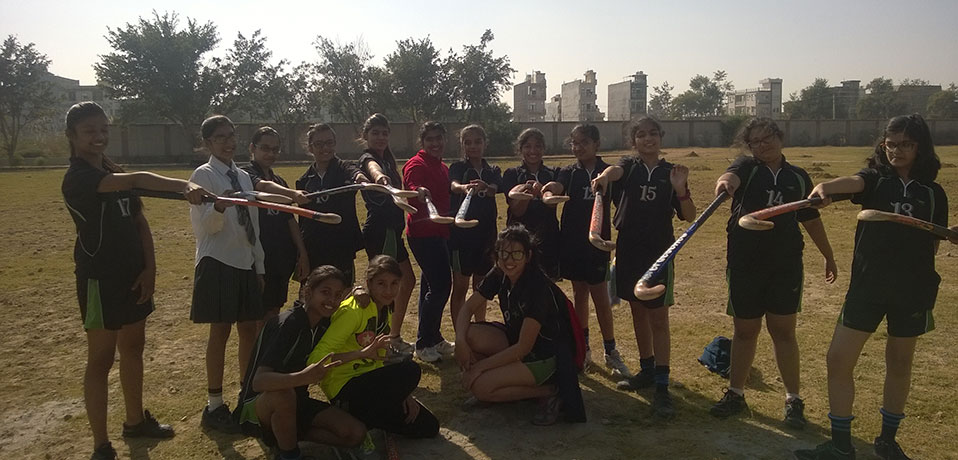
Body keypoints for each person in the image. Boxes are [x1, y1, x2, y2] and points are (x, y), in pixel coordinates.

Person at [795, 114, 951, 460]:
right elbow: (854, 182)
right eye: (890, 143)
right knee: (838, 360)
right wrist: (825, 189)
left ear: (920, 146)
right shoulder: (877, 180)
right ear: (883, 145)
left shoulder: (934, 193)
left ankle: (887, 441)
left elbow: (936, 241)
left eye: (905, 144)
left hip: (913, 289)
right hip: (868, 287)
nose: (896, 150)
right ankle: (840, 444)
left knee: (899, 363)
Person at [62, 102, 207, 460]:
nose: (99, 136)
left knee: (133, 350)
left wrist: (150, 270)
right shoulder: (80, 177)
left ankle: (134, 421)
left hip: (133, 276)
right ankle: (100, 444)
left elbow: (139, 222)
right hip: (100, 280)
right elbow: (139, 180)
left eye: (103, 129)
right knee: (100, 360)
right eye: (89, 131)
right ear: (72, 137)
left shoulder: (112, 169)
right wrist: (185, 185)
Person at [710, 117, 837, 429]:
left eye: (767, 138)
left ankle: (793, 400)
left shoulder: (797, 176)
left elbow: (809, 217)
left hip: (785, 265)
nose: (762, 145)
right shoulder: (747, 167)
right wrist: (725, 184)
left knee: (783, 332)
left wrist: (828, 255)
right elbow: (729, 177)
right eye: (755, 141)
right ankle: (736, 394)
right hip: (745, 263)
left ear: (780, 138)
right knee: (745, 331)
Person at [591, 117, 696, 418]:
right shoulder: (630, 166)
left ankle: (662, 383)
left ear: (661, 137)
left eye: (652, 134)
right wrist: (604, 177)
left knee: (659, 318)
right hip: (629, 250)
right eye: (641, 135)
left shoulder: (671, 172)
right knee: (637, 309)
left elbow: (689, 215)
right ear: (633, 140)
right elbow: (614, 170)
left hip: (659, 252)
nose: (647, 139)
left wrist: (680, 190)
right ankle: (647, 369)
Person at [454, 225, 585, 425]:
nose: (508, 260)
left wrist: (479, 368)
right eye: (503, 253)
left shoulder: (537, 288)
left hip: (542, 356)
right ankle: (501, 384)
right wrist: (460, 341)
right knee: (470, 334)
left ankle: (549, 391)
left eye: (516, 254)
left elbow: (524, 348)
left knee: (481, 388)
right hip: (515, 341)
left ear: (528, 255)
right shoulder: (500, 273)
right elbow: (467, 309)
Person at [236, 266, 367, 460]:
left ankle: (287, 433)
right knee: (284, 394)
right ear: (308, 291)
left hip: (297, 400)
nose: (332, 300)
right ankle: (289, 454)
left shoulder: (324, 322)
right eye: (325, 292)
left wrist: (358, 291)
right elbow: (259, 381)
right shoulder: (288, 323)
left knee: (355, 433)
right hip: (259, 406)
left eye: (338, 295)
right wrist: (304, 377)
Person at [188, 115, 267, 433]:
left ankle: (247, 396)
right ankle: (215, 404)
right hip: (217, 262)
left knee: (249, 329)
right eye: (220, 137)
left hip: (245, 263)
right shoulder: (203, 176)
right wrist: (219, 206)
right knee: (219, 332)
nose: (228, 142)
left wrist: (258, 265)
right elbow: (205, 228)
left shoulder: (244, 178)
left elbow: (255, 227)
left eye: (231, 135)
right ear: (207, 143)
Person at [307, 256, 440, 438]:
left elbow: (379, 360)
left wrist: (404, 394)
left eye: (394, 283)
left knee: (429, 427)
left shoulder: (386, 308)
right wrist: (360, 354)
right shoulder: (353, 311)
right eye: (381, 284)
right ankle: (351, 418)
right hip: (344, 386)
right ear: (369, 283)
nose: (388, 290)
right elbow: (317, 358)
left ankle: (364, 420)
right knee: (410, 369)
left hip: (370, 384)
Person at [541, 124, 631, 378]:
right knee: (579, 294)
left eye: (583, 142)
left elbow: (623, 203)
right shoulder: (569, 172)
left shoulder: (608, 173)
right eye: (574, 143)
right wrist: (548, 190)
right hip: (571, 242)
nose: (577, 147)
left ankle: (611, 350)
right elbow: (556, 187)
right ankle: (584, 348)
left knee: (601, 295)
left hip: (598, 243)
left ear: (596, 144)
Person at [357, 114, 416, 356]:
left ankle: (391, 336)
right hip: (381, 232)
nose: (380, 137)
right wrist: (380, 178)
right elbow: (373, 170)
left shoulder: (388, 160)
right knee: (384, 290)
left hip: (393, 232)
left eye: (384, 133)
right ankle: (379, 343)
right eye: (375, 133)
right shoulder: (369, 159)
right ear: (365, 136)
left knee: (406, 281)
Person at [240, 127, 310, 319]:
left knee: (273, 310)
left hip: (281, 258)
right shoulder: (245, 175)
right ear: (252, 148)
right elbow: (261, 186)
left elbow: (290, 219)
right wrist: (292, 194)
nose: (270, 153)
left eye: (275, 149)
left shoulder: (279, 180)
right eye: (265, 148)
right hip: (258, 259)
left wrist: (302, 253)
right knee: (256, 315)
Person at [402, 121, 455, 363]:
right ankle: (423, 343)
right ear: (422, 142)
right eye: (430, 139)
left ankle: (433, 336)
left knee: (430, 287)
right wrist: (418, 190)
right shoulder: (417, 163)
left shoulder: (443, 167)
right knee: (442, 285)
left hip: (440, 232)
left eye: (439, 138)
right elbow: (412, 184)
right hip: (423, 234)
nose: (435, 143)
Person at [296, 123, 368, 283]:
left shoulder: (345, 168)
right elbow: (303, 221)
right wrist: (302, 254)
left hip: (341, 248)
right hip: (314, 248)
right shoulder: (303, 181)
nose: (325, 148)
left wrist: (360, 177)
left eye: (329, 143)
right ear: (310, 147)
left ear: (335, 144)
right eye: (319, 144)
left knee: (341, 295)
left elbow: (355, 171)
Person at [448, 124, 502, 325]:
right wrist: (463, 188)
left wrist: (486, 187)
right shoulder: (458, 167)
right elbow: (453, 185)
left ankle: (480, 327)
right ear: (462, 145)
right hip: (461, 238)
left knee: (481, 287)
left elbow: (496, 188)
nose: (473, 146)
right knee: (460, 288)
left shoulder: (492, 170)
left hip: (487, 237)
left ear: (485, 144)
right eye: (468, 142)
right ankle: (459, 331)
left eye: (477, 141)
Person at [502, 128, 561, 280]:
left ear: (544, 148)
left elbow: (552, 205)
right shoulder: (511, 174)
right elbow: (516, 211)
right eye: (528, 146)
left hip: (548, 238)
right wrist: (527, 194)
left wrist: (543, 191)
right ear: (520, 149)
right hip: (519, 239)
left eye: (538, 146)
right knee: (518, 281)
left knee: (547, 286)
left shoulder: (554, 173)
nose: (533, 150)